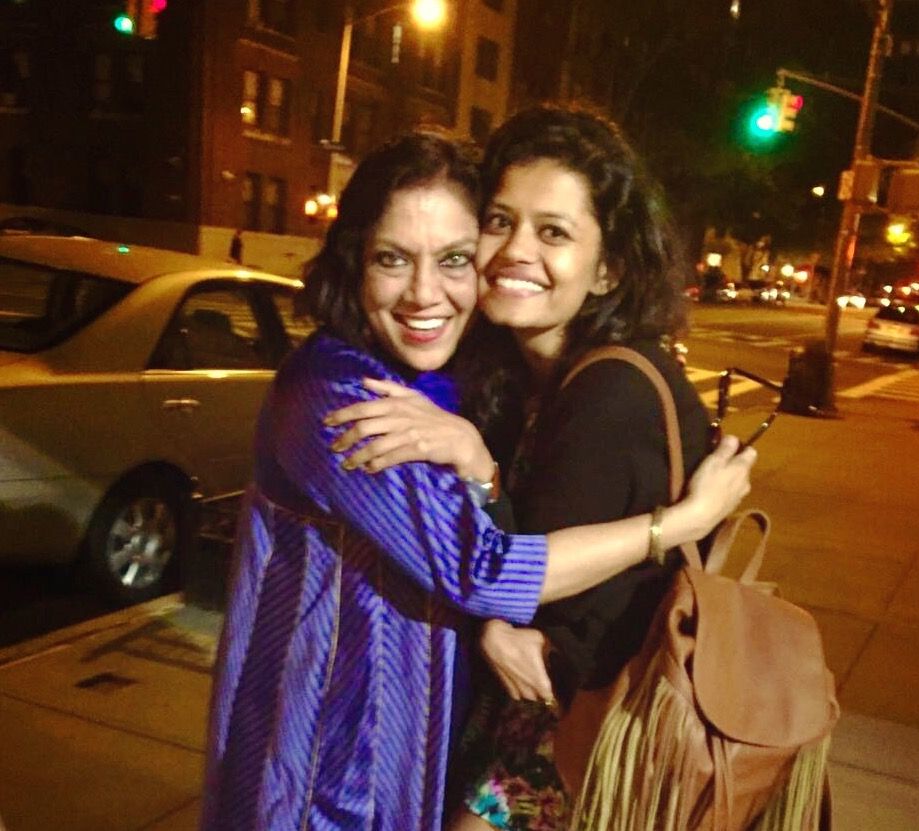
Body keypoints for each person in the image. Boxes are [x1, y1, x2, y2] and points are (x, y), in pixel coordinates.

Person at [201, 131, 754, 831]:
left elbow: (518, 578)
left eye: (454, 258)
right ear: (353, 262)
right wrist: (672, 524)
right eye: (392, 258)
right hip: (330, 766)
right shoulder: (347, 395)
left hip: (482, 749)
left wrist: (668, 527)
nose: (424, 292)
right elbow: (483, 567)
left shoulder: (584, 390)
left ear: (607, 269)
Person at [326, 106, 721, 831]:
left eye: (553, 233)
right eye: (501, 221)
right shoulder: (525, 378)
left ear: (607, 270)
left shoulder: (610, 394)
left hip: (561, 757)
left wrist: (480, 480)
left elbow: (528, 602)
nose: (514, 250)